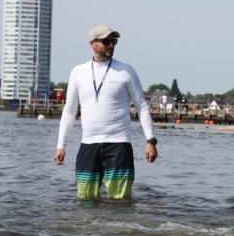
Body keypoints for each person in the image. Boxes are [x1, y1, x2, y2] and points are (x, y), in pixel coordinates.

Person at [55, 24, 158, 200]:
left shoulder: (126, 70)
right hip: (88, 145)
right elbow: (70, 110)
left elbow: (141, 106)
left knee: (120, 203)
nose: (111, 45)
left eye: (114, 41)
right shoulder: (78, 72)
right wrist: (61, 145)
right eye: (106, 41)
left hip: (119, 145)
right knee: (85, 202)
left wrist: (150, 140)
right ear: (92, 44)